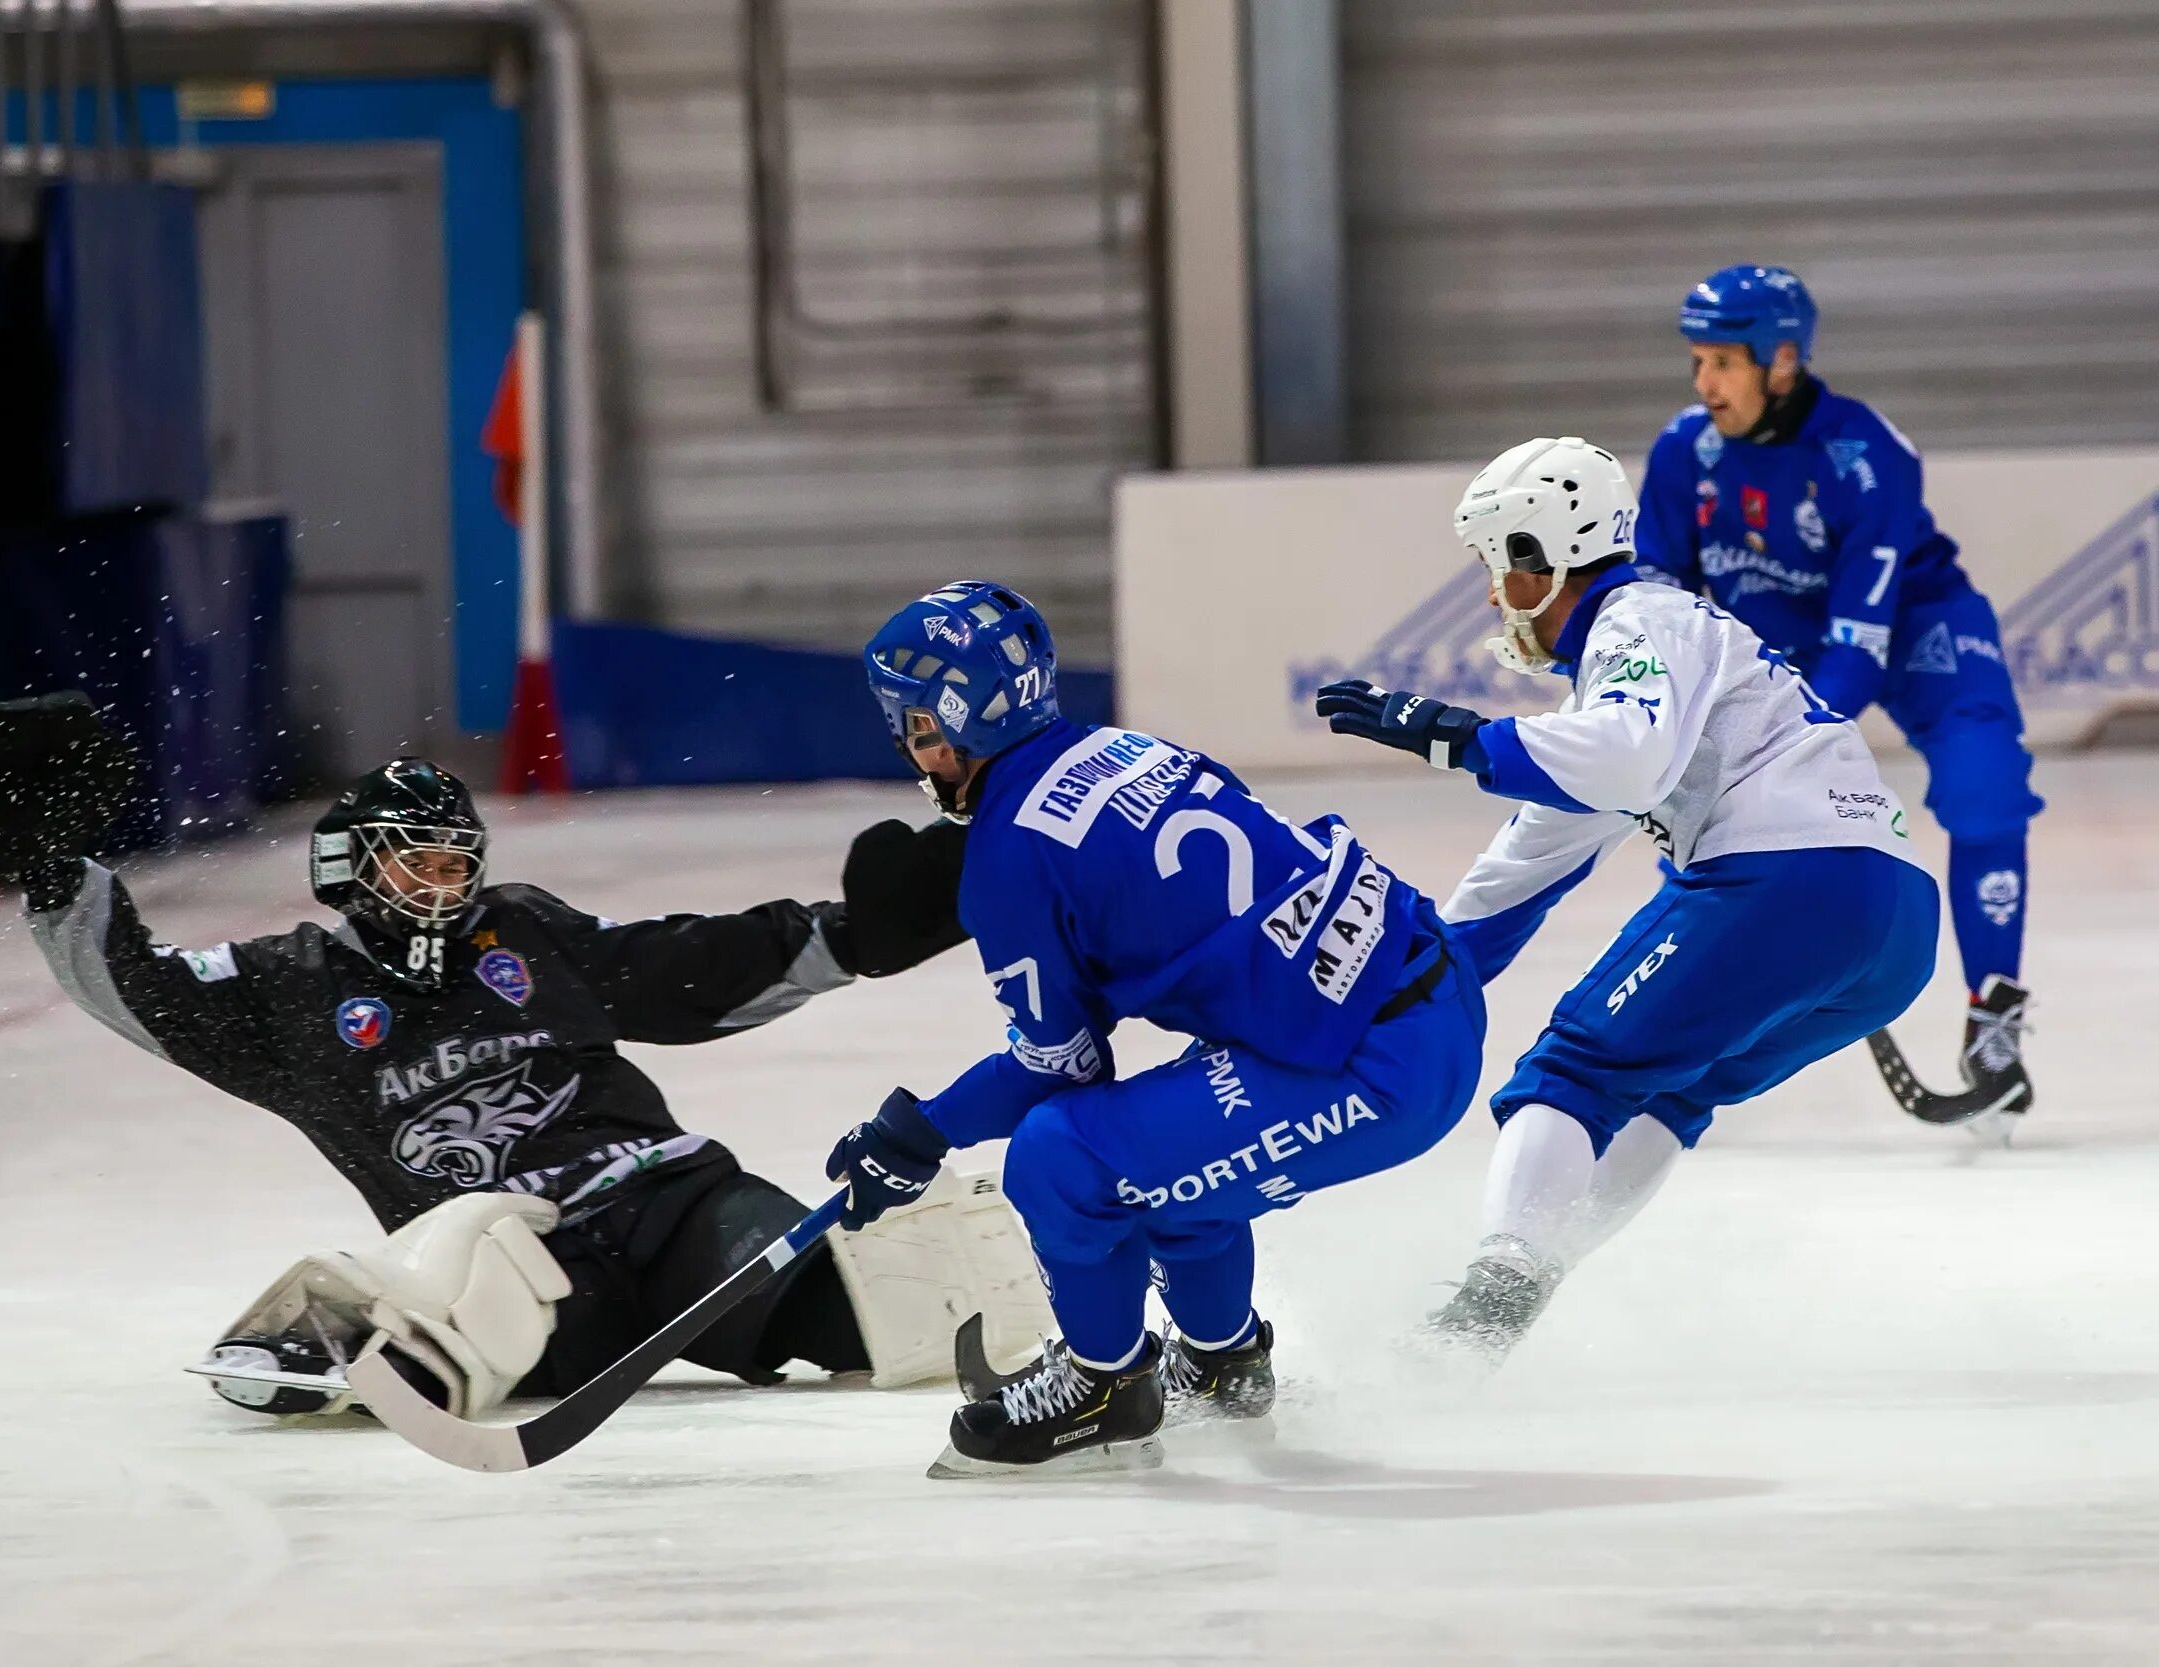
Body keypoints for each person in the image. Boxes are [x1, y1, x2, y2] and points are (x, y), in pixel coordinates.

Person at [0, 694, 1050, 1423]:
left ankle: (1086, 1313)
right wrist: (57, 875)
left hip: (671, 1200)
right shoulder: (286, 989)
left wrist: (851, 934)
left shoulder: (524, 929)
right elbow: (147, 991)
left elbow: (688, 966)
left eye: (453, 860)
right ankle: (367, 1339)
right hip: (513, 1254)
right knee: (475, 1260)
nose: (441, 884)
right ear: (350, 870)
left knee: (852, 1309)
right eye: (413, 864)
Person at [823, 582, 1488, 1476]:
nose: (912, 746)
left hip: (1376, 1069)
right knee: (1160, 1147)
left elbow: (1061, 1067)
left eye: (914, 724)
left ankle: (1106, 1389)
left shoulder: (1009, 857)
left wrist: (919, 1130)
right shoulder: (1128, 746)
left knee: (1060, 1156)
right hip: (1429, 997)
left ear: (952, 722)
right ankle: (1222, 1362)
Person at [1314, 436, 1939, 1366]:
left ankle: (1479, 1323)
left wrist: (1446, 731)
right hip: (1894, 921)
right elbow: (1548, 840)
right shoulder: (1668, 642)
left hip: (1787, 879)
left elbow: (1621, 758)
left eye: (1497, 567)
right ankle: (1519, 1292)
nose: (1493, 594)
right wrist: (1441, 968)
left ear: (1543, 556)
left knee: (1572, 1073)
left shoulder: (1638, 622)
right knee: (1674, 1093)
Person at [1633, 264, 2041, 1131]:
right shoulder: (1683, 453)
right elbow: (1652, 608)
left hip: (1911, 619)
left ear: (1782, 360)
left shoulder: (1867, 454)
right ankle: (1689, 1032)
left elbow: (1861, 641)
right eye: (1696, 364)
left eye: (1722, 364)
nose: (1704, 385)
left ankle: (1994, 1023)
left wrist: (1789, 760)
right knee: (1709, 826)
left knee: (1986, 787)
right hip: (1779, 638)